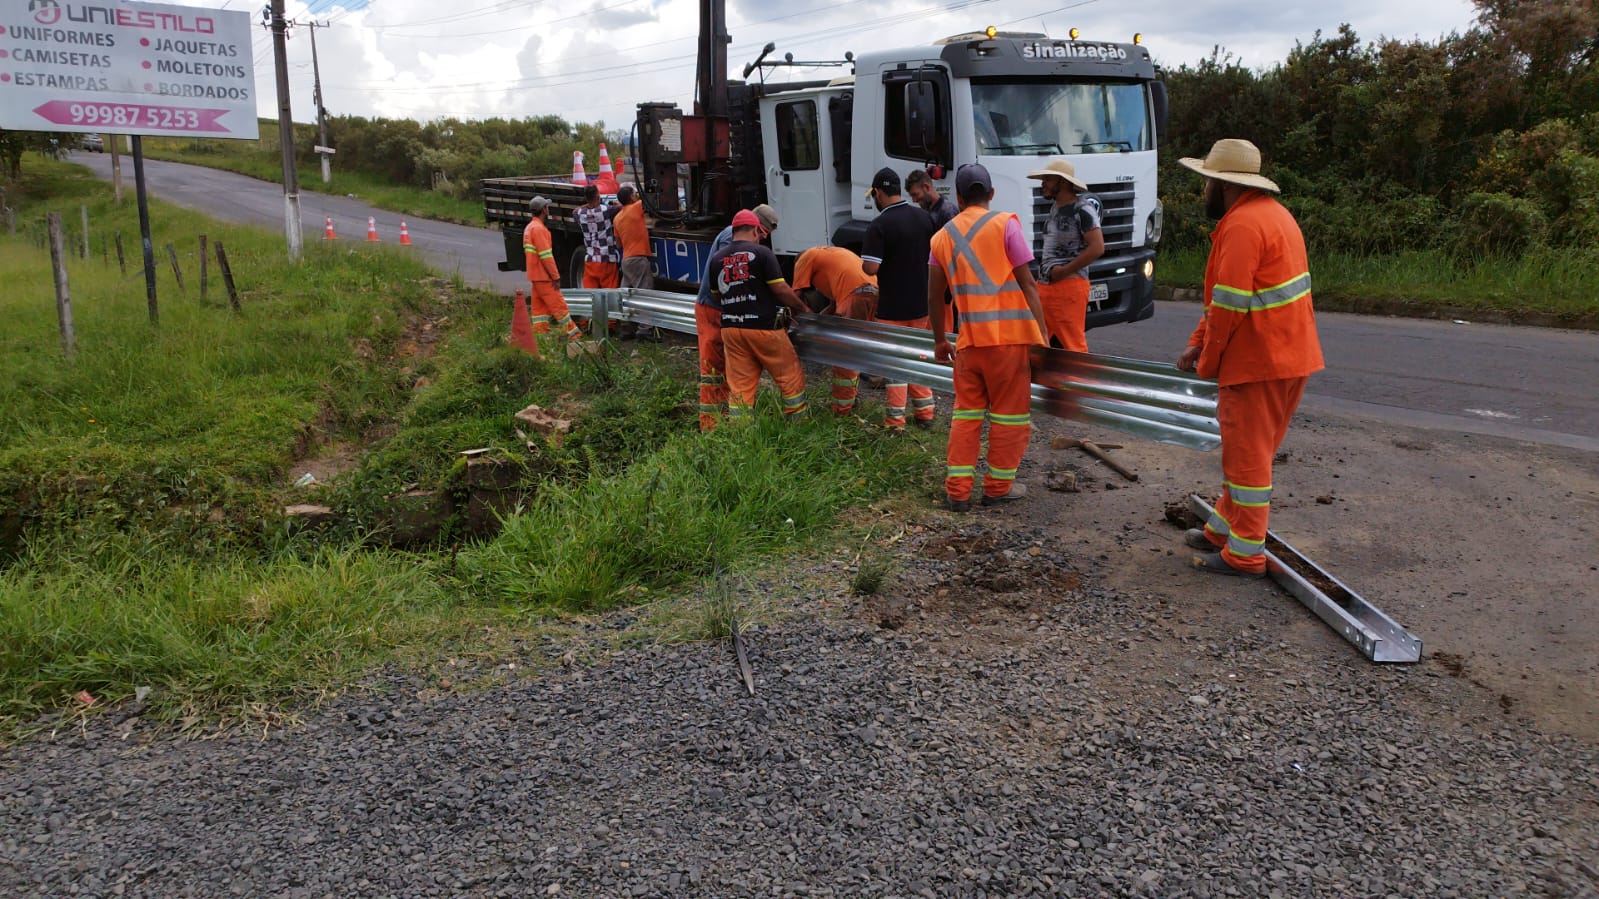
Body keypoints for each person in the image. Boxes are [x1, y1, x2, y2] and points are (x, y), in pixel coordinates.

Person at [1175, 138, 1324, 577]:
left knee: (1248, 459)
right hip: (1287, 358)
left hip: (1256, 362)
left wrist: (1208, 360)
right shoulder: (1274, 216)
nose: (1203, 191)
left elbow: (1231, 306)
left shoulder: (1241, 226)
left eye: (1206, 183)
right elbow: (1225, 302)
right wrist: (1197, 341)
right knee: (1248, 454)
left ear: (1223, 186)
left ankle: (1245, 554)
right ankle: (1223, 528)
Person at [928, 163, 1049, 512]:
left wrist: (940, 340)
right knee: (1009, 416)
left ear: (960, 197)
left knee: (966, 417)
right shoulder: (1005, 224)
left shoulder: (941, 238)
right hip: (1009, 344)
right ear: (992, 194)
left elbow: (935, 297)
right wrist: (1041, 337)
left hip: (967, 345)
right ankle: (997, 488)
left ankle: (958, 491)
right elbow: (1028, 284)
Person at [708, 209, 811, 421]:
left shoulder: (717, 259)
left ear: (733, 231)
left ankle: (740, 434)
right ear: (755, 229)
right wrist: (802, 308)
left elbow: (717, 296)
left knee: (740, 386)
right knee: (789, 376)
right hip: (763, 329)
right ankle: (798, 423)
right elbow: (780, 289)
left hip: (731, 330)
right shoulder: (762, 254)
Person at [862, 167, 938, 429]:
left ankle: (895, 421)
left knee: (895, 365)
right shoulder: (924, 218)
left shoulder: (879, 224)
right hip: (921, 304)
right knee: (917, 357)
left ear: (879, 193)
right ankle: (925, 414)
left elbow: (870, 268)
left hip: (892, 307)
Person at [695, 204, 780, 430]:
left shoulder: (735, 237)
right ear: (753, 225)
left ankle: (722, 417)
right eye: (761, 233)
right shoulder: (729, 239)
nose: (761, 240)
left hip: (721, 309)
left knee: (726, 366)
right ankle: (709, 426)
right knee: (713, 369)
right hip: (712, 309)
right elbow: (732, 278)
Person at [1026, 159, 1103, 353]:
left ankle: (1079, 382)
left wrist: (1064, 271)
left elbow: (1097, 247)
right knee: (1039, 342)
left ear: (1064, 182)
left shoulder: (1082, 209)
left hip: (1068, 287)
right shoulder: (1056, 208)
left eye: (1048, 179)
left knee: (1072, 347)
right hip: (1046, 287)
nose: (1043, 183)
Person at [792, 245, 879, 415]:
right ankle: (864, 385)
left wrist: (802, 318)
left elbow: (795, 296)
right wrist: (818, 321)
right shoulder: (831, 256)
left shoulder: (806, 257)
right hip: (873, 292)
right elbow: (833, 306)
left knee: (844, 354)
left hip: (855, 296)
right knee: (859, 346)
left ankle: (842, 408)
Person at [521, 195, 583, 342]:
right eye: (547, 207)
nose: (548, 209)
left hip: (535, 276)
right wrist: (555, 277)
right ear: (544, 210)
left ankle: (541, 337)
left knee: (539, 310)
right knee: (558, 305)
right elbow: (546, 257)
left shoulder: (529, 228)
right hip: (544, 276)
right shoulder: (538, 229)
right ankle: (574, 334)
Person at [612, 183, 655, 337]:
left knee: (626, 295)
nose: (636, 195)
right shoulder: (636, 208)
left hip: (626, 260)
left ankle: (625, 327)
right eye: (634, 193)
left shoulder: (617, 218)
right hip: (638, 259)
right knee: (644, 293)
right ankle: (644, 329)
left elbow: (618, 243)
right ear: (631, 197)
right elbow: (651, 198)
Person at [574, 184, 620, 289]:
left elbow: (575, 211)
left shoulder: (580, 214)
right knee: (610, 295)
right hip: (606, 259)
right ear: (598, 197)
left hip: (590, 260)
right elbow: (621, 207)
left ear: (586, 198)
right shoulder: (606, 210)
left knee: (591, 295)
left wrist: (588, 204)